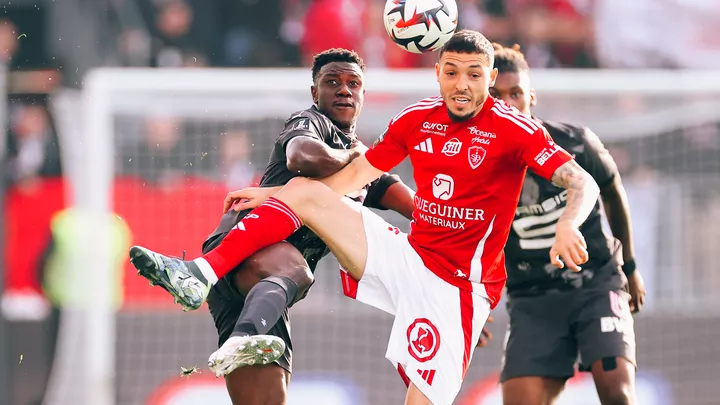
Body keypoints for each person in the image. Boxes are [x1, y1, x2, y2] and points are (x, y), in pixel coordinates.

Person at [129, 30, 601, 405]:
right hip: (410, 257)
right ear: (437, 72)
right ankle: (199, 274)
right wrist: (277, 194)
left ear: (489, 76)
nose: (462, 84)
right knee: (306, 196)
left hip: (458, 288)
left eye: (474, 75)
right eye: (452, 72)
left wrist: (567, 224)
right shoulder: (415, 119)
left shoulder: (512, 128)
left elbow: (584, 182)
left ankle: (237, 320)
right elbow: (351, 176)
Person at [147, 48, 415, 405]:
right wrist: (352, 158)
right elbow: (301, 158)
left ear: (364, 94)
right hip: (248, 254)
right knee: (299, 270)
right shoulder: (310, 122)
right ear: (314, 93)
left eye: (354, 84)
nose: (344, 90)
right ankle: (225, 308)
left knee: (267, 400)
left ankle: (235, 323)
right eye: (332, 82)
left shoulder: (370, 172)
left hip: (268, 295)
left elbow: (422, 210)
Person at [488, 43, 646, 405]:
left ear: (531, 97)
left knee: (618, 394)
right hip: (532, 296)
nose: (508, 104)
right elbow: (470, 239)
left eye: (516, 94)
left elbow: (612, 191)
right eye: (497, 96)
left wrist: (631, 267)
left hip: (594, 284)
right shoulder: (475, 164)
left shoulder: (575, 143)